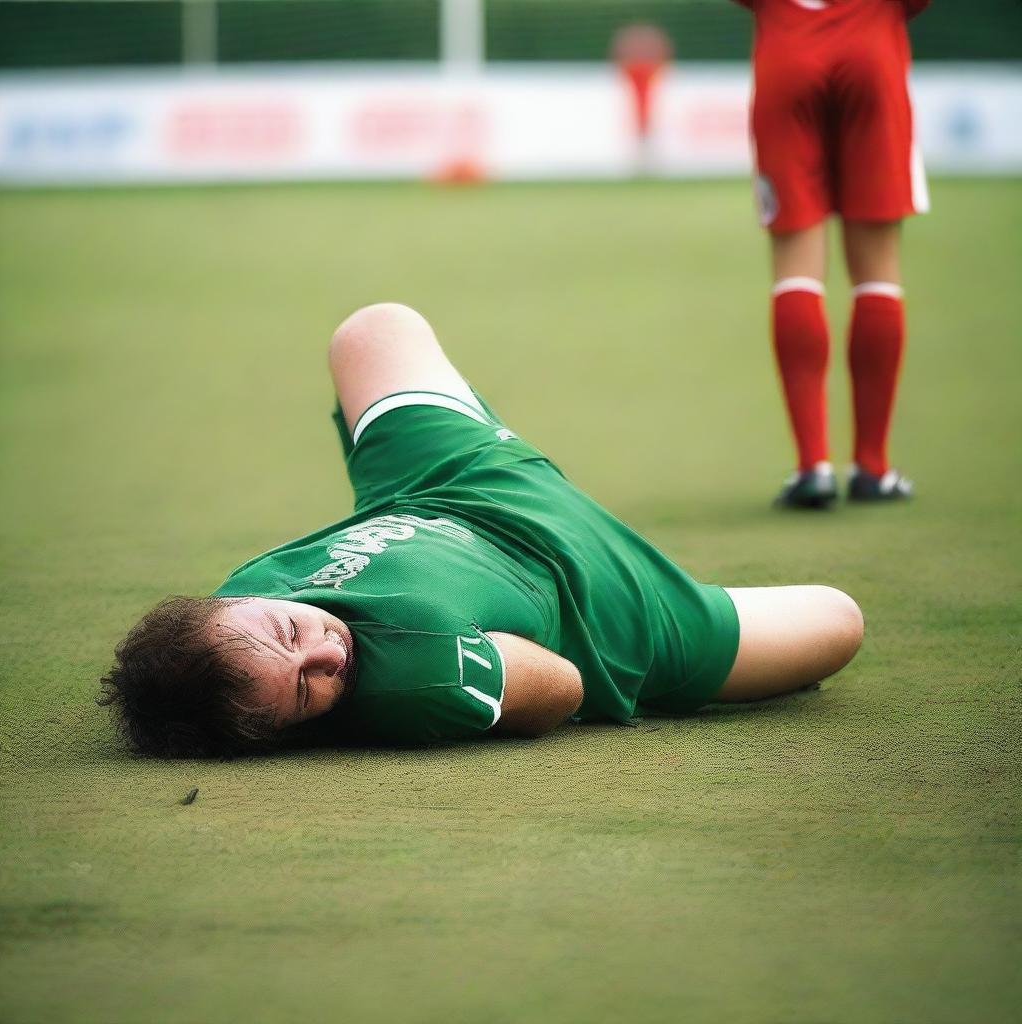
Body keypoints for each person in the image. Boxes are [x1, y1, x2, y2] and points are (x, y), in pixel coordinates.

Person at [100, 303, 864, 757]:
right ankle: (684, 625)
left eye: (289, 630)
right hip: (605, 601)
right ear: (286, 734)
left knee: (373, 329)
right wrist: (487, 678)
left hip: (443, 483)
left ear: (222, 607)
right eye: (307, 692)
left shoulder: (232, 608)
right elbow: (563, 689)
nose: (327, 651)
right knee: (839, 620)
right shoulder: (424, 685)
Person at [730, 0, 930, 507]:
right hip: (872, 45)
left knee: (796, 272)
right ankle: (872, 468)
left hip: (786, 47)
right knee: (877, 275)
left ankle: (812, 467)